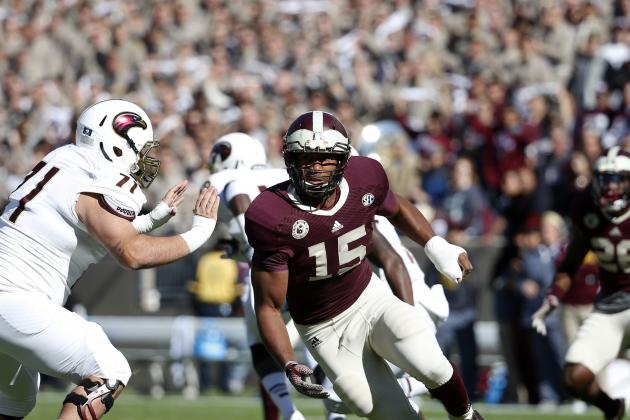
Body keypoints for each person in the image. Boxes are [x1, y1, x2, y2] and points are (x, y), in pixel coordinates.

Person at [245, 110, 483, 420]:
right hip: (323, 330)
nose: (316, 166)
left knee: (431, 363)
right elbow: (268, 307)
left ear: (343, 160)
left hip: (371, 298)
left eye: (326, 157)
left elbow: (396, 208)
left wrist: (435, 245)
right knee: (380, 410)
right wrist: (289, 362)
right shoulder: (272, 215)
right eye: (306, 157)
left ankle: (466, 417)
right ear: (291, 159)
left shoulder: (364, 178)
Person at [0, 99, 219, 420]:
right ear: (116, 145)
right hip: (16, 299)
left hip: (11, 294)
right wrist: (199, 232)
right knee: (109, 370)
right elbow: (131, 253)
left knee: (13, 401)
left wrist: (151, 220)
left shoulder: (64, 158)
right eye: (141, 149)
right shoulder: (107, 178)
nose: (146, 159)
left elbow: (86, 228)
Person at [207, 133, 303, 420]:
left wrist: (250, 249)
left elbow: (240, 198)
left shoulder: (232, 182)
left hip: (270, 269)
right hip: (310, 265)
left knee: (261, 345)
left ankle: (288, 413)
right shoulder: (286, 175)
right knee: (320, 344)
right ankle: (334, 413)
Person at [532, 146, 630, 420]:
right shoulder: (587, 208)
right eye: (605, 179)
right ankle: (613, 409)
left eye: (617, 179)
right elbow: (571, 262)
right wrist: (553, 297)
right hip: (610, 305)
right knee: (574, 378)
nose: (610, 186)